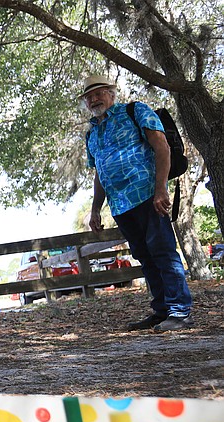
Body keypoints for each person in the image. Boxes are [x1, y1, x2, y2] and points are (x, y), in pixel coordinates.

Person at [82, 74, 193, 332]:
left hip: (148, 195)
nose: (94, 99)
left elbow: (161, 146)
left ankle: (180, 311)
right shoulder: (92, 135)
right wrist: (95, 209)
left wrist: (161, 189)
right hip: (120, 205)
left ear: (111, 93)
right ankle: (162, 311)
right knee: (144, 256)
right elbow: (100, 172)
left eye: (98, 93)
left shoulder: (135, 111)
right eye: (89, 96)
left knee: (163, 251)